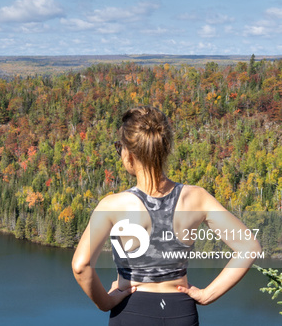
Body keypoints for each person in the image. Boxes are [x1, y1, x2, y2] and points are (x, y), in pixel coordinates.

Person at [72, 106, 261, 325]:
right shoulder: (197, 198)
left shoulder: (113, 205)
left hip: (131, 310)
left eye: (119, 148)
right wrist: (208, 294)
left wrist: (105, 302)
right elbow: (250, 247)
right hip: (180, 312)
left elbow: (81, 266)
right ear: (164, 149)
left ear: (130, 155)